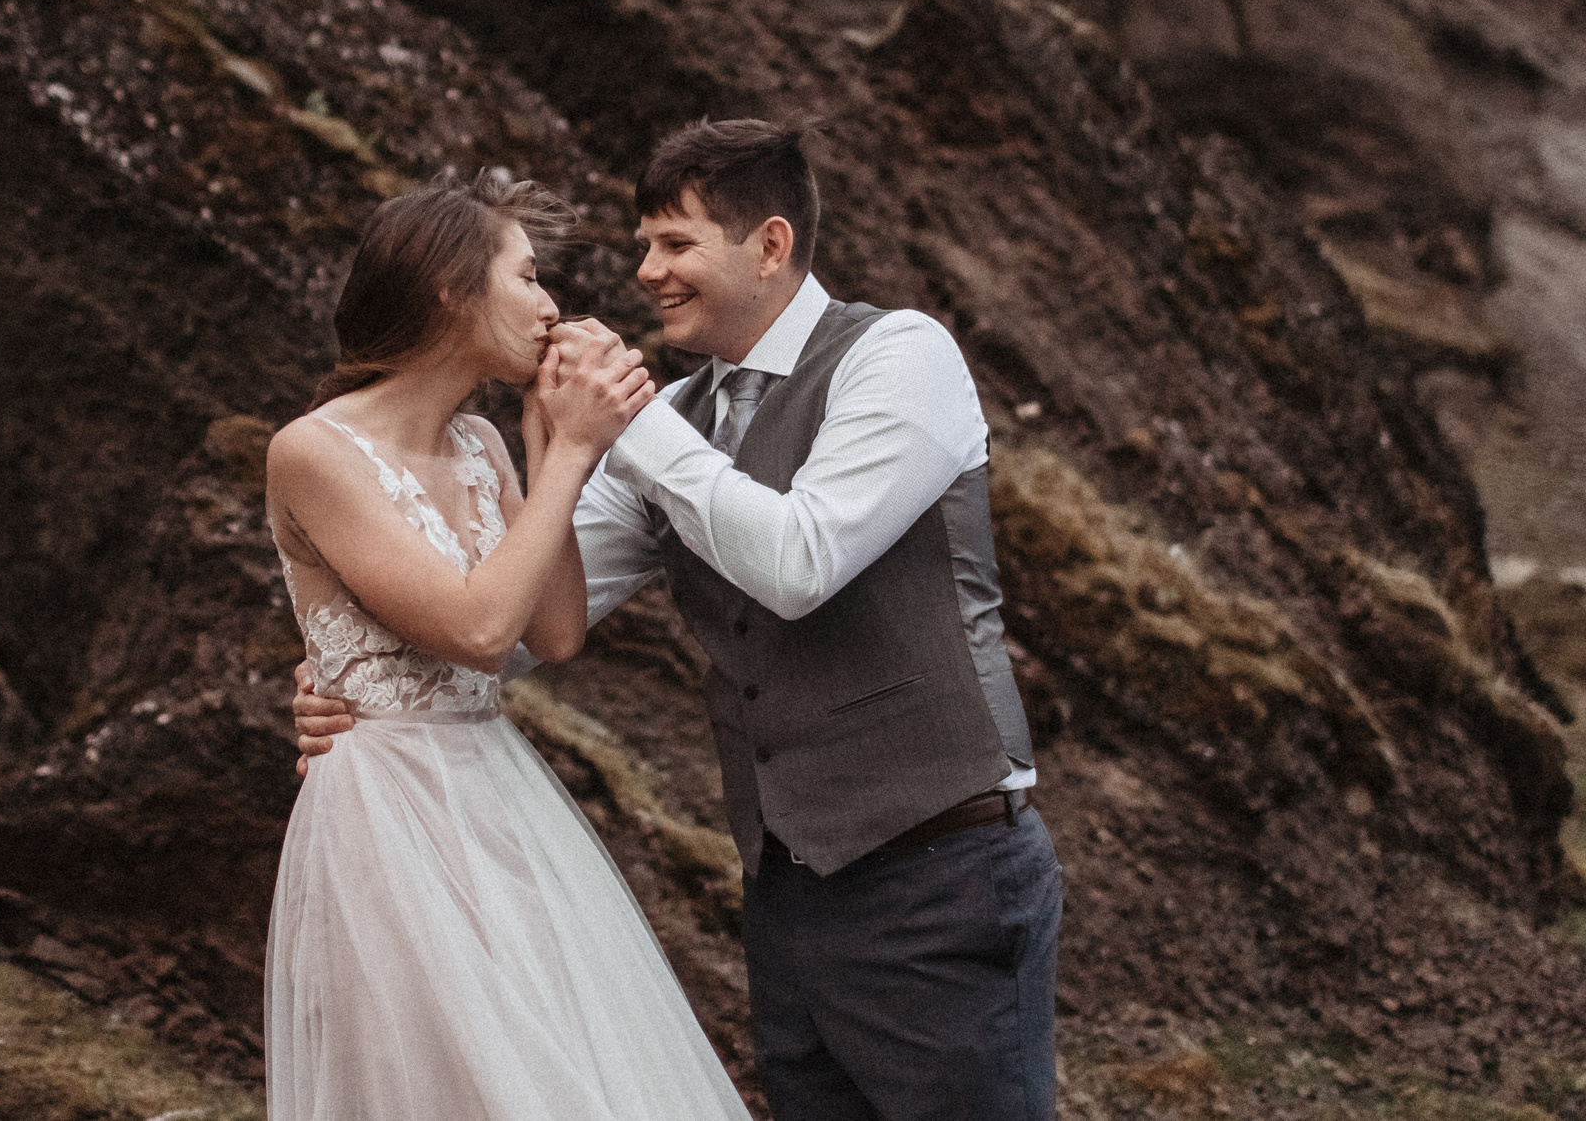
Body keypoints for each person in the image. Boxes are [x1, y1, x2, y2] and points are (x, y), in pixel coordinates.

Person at [296, 120, 1063, 1121]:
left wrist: (629, 420)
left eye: (674, 243)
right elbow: (515, 621)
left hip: (942, 873)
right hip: (789, 895)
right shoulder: (678, 427)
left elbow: (801, 560)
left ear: (772, 245)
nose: (645, 272)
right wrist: (349, 681)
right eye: (643, 244)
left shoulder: (899, 357)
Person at [261, 169, 755, 1121]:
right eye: (527, 276)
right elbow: (479, 628)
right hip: (384, 810)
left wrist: (540, 444)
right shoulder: (312, 451)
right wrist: (573, 448)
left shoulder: (484, 444)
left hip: (494, 788)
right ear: (453, 290)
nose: (549, 303)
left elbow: (555, 630)